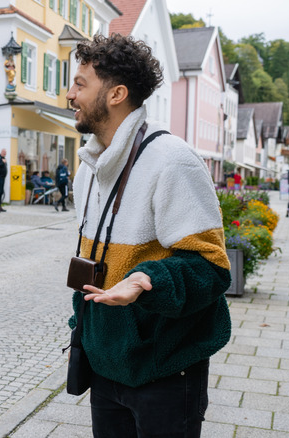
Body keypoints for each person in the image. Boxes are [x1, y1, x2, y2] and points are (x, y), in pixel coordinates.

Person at [65, 34, 231, 437]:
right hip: (106, 364)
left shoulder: (173, 161)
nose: (70, 94)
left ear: (117, 93)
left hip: (166, 368)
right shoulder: (89, 166)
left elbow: (211, 268)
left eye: (80, 83)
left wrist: (146, 279)